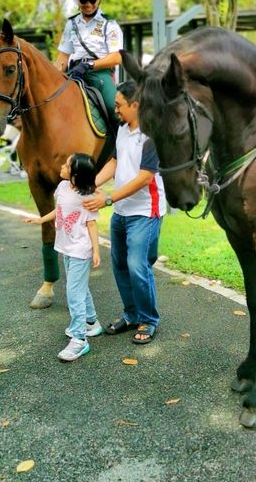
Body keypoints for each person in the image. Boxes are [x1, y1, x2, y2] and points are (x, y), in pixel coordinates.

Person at [83, 81, 166, 345]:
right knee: (119, 264)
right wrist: (91, 184)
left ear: (136, 105)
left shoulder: (152, 134)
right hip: (122, 210)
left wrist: (107, 198)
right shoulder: (121, 130)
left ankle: (148, 319)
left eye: (119, 105)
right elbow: (116, 162)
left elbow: (144, 178)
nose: (115, 108)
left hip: (145, 210)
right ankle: (131, 314)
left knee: (137, 265)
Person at [25, 153, 102, 362]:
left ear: (76, 175)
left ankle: (79, 340)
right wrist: (41, 219)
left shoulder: (86, 198)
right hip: (66, 247)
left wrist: (96, 250)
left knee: (74, 293)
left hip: (80, 249)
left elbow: (91, 225)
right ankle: (91, 322)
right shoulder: (62, 187)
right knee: (79, 287)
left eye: (67, 165)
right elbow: (58, 211)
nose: (62, 166)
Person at [55, 0, 123, 129]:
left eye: (92, 0)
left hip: (100, 74)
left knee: (117, 111)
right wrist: (53, 76)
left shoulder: (109, 24)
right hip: (73, 72)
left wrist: (89, 65)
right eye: (83, 0)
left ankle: (120, 149)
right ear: (77, 0)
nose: (88, 5)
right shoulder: (71, 24)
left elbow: (117, 57)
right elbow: (63, 57)